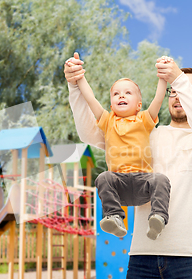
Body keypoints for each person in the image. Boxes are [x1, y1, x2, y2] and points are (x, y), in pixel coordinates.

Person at [64, 52, 192, 279]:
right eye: (174, 90)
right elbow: (90, 132)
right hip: (142, 256)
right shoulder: (146, 134)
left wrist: (178, 79)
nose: (178, 94)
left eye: (187, 91)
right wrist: (74, 85)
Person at [65, 55, 173, 240]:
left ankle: (158, 218)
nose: (121, 95)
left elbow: (158, 99)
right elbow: (90, 99)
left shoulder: (144, 119)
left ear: (139, 105)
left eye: (128, 93)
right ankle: (114, 217)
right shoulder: (107, 120)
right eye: (116, 94)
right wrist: (79, 78)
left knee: (161, 180)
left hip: (143, 183)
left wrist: (163, 78)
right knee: (103, 177)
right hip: (118, 186)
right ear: (111, 104)